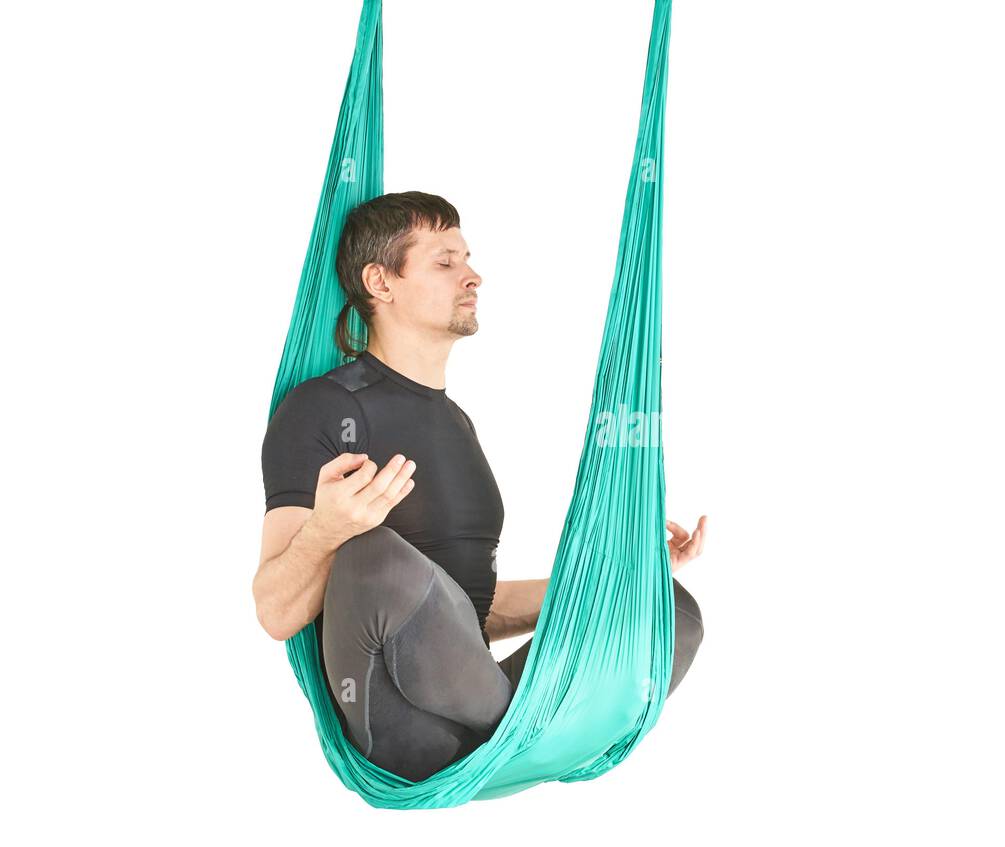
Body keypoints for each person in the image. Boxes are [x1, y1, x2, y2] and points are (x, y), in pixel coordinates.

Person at [252, 191, 708, 782]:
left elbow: (465, 617)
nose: (473, 276)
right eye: (445, 262)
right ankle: (532, 734)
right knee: (372, 555)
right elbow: (274, 611)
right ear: (380, 282)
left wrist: (618, 575)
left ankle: (517, 734)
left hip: (464, 707)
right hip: (397, 725)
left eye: (466, 259)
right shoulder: (321, 408)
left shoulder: (456, 422)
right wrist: (327, 533)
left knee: (668, 610)